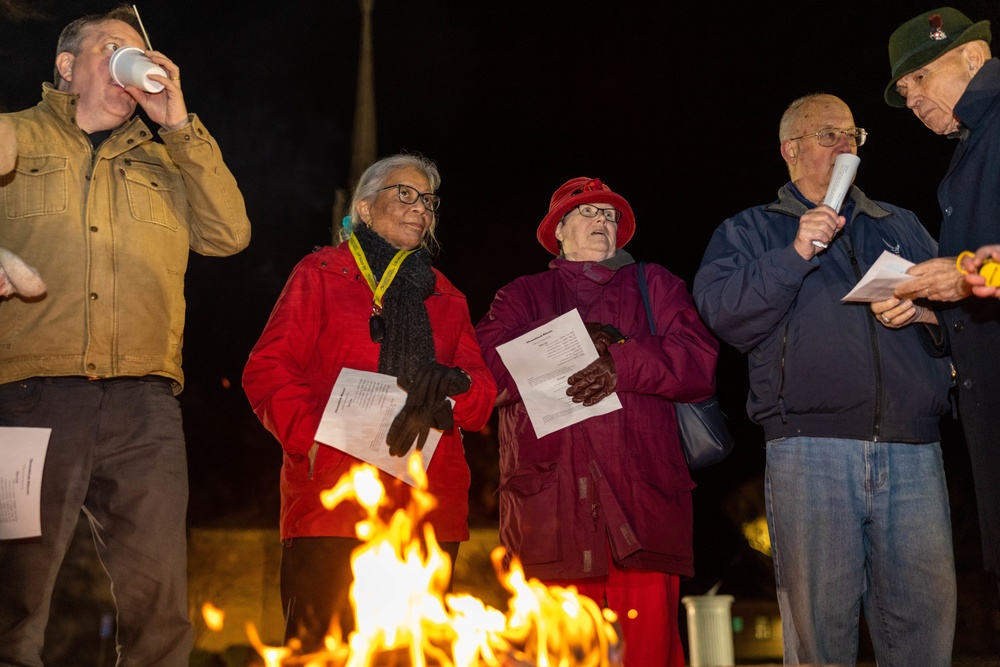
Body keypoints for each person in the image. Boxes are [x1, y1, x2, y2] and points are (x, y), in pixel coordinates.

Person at [0, 4, 251, 666]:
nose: (129, 62)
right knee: (14, 598)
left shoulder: (168, 163)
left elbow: (229, 233)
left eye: (137, 52)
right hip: (31, 397)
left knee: (159, 604)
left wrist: (180, 126)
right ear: (66, 67)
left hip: (145, 407)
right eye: (111, 47)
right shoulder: (13, 135)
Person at [692, 93, 956, 667]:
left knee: (923, 630)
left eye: (853, 135)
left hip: (915, 448)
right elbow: (724, 315)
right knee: (821, 634)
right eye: (828, 134)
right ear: (790, 150)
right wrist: (793, 253)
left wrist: (928, 313)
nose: (845, 146)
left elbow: (962, 307)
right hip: (810, 451)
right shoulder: (749, 230)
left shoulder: (901, 223)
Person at [242, 153, 496, 653]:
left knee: (412, 658)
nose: (420, 208)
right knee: (322, 654)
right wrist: (312, 440)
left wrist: (458, 383)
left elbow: (482, 398)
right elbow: (267, 370)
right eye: (404, 193)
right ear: (363, 206)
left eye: (428, 201)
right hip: (335, 502)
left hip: (427, 508)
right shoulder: (321, 273)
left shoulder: (449, 297)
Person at [475, 177, 719, 667]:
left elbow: (699, 360)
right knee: (561, 657)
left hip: (641, 512)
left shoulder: (657, 285)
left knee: (646, 656)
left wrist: (622, 362)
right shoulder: (521, 296)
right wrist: (566, 342)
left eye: (610, 215)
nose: (603, 222)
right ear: (559, 231)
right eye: (589, 213)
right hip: (550, 518)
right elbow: (484, 368)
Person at [885, 7, 1000, 599]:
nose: (912, 101)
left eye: (919, 79)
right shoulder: (972, 147)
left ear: (974, 57)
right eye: (903, 91)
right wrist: (936, 307)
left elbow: (985, 271)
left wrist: (968, 273)